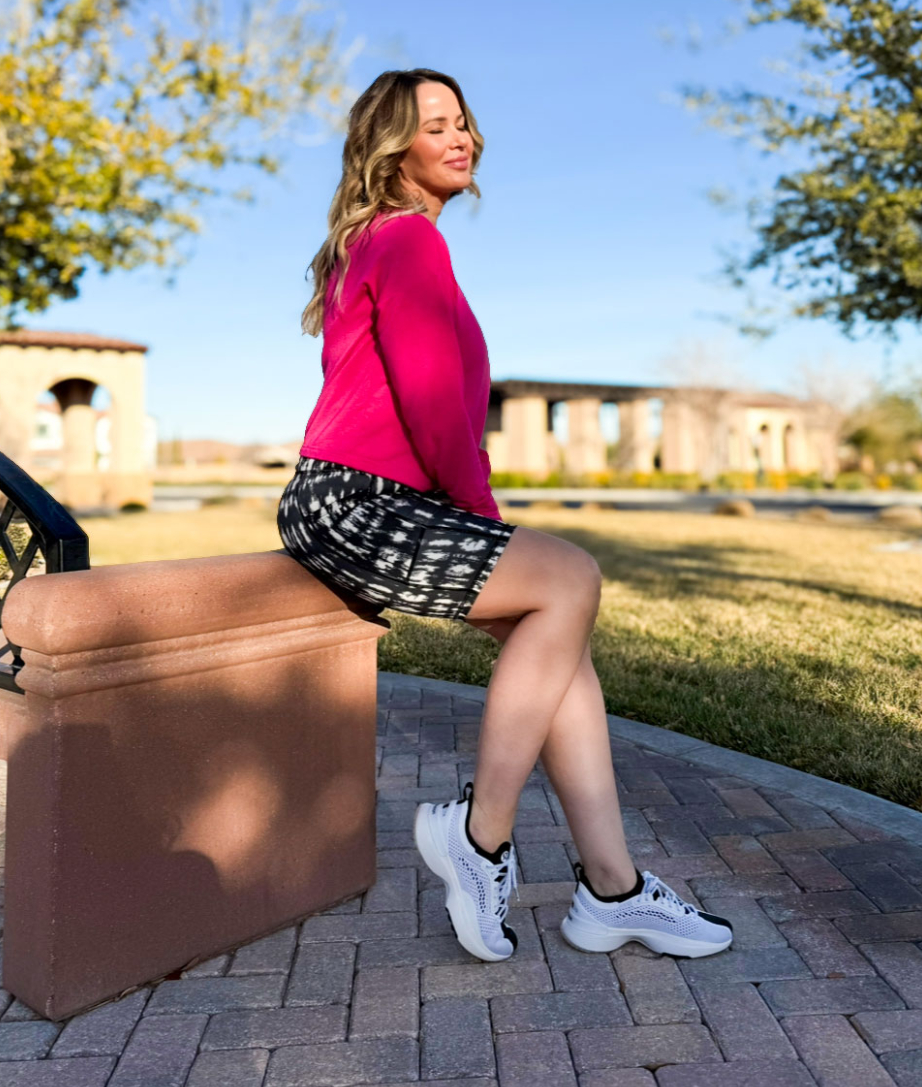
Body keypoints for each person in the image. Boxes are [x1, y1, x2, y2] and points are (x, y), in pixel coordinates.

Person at [277, 68, 733, 964]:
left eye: (464, 122)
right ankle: (479, 837)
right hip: (359, 502)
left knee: (561, 656)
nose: (462, 138)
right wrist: (485, 518)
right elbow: (433, 406)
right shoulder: (406, 239)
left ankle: (612, 892)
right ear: (391, 147)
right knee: (569, 577)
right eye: (435, 125)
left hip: (354, 499)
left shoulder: (372, 242)